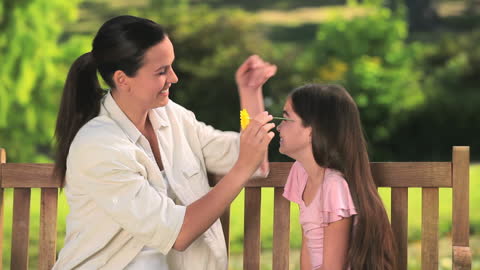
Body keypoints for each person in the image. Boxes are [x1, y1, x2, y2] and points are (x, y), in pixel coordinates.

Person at [52, 15, 277, 270]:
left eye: (171, 66)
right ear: (122, 79)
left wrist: (249, 92)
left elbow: (251, 159)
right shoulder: (98, 146)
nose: (174, 77)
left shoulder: (173, 116)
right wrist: (241, 170)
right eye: (161, 71)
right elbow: (178, 233)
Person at [277, 84, 397, 270]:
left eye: (286, 119)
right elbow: (308, 248)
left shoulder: (334, 186)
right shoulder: (300, 172)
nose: (278, 127)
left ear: (311, 130)